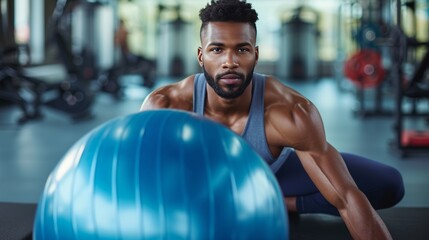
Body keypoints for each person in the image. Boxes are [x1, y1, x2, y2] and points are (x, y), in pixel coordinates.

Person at [140, 0, 404, 239]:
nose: (229, 62)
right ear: (201, 56)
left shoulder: (290, 112)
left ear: (256, 54)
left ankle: (275, 201)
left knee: (389, 184)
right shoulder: (166, 106)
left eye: (241, 50)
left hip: (270, 174)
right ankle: (238, 203)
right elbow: (143, 186)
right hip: (203, 187)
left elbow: (346, 198)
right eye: (217, 49)